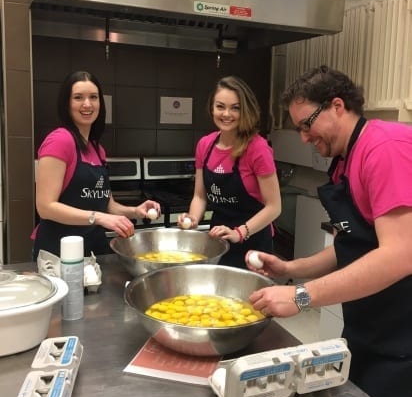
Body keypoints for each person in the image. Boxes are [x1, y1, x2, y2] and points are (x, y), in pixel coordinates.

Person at [246, 65, 412, 397]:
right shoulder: (344, 162)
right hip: (370, 328)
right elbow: (354, 247)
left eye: (307, 124)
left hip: (404, 340)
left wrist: (301, 296)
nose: (304, 138)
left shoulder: (384, 149)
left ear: (337, 105)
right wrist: (291, 270)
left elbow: (399, 255)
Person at [32, 70, 161, 259]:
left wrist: (135, 211)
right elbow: (45, 206)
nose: (87, 104)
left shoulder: (97, 150)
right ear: (66, 104)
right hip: (59, 252)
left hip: (93, 250)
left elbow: (107, 205)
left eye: (93, 97)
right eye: (78, 97)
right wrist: (99, 218)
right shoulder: (60, 141)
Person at [177, 75, 281, 268]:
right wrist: (192, 219)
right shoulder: (205, 145)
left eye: (236, 108)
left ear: (246, 110)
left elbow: (274, 206)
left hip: (253, 244)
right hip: (218, 241)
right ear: (212, 108)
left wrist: (239, 232)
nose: (226, 114)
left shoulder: (258, 148)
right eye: (220, 106)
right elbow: (200, 196)